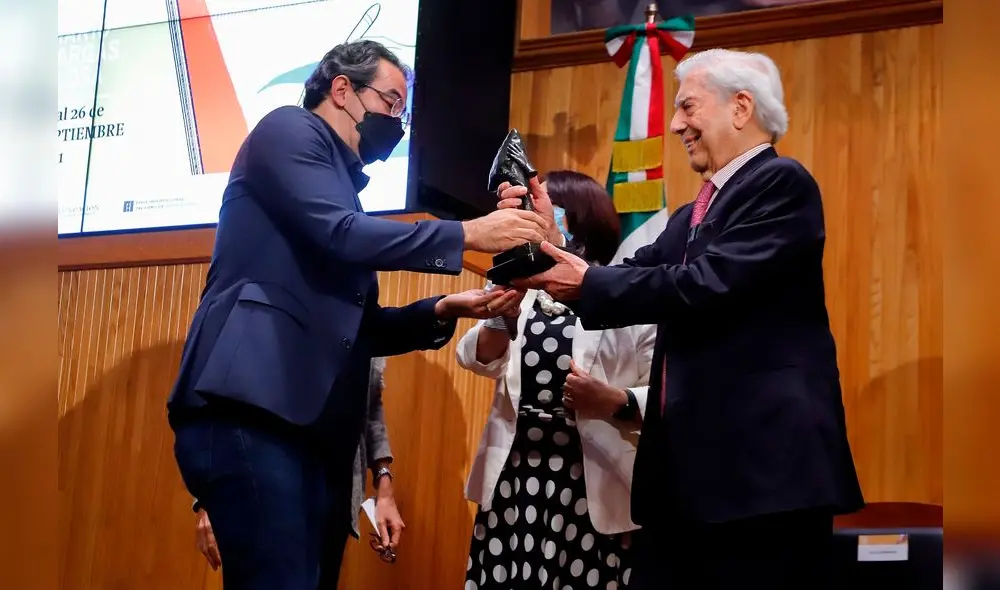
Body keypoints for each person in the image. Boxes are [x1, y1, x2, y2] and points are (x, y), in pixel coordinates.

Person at [167, 39, 545, 590]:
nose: (397, 121)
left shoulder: (343, 190)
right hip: (251, 404)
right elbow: (340, 235)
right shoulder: (288, 130)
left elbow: (358, 331)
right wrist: (468, 232)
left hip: (309, 428)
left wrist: (443, 309)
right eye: (391, 103)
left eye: (402, 112)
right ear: (341, 89)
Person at [505, 49, 864, 589]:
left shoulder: (781, 184)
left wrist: (586, 280)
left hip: (762, 481)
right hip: (693, 485)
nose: (676, 125)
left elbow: (708, 283)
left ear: (741, 107)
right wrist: (552, 243)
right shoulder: (691, 215)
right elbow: (627, 276)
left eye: (688, 107)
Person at [457, 170, 656, 589]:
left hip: (591, 484)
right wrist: (501, 311)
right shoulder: (525, 287)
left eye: (540, 204)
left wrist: (612, 399)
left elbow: (662, 393)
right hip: (516, 478)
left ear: (572, 218)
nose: (527, 212)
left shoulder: (627, 293)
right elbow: (474, 357)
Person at [193, 358, 402, 577]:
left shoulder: (365, 326)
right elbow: (222, 398)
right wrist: (210, 498)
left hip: (336, 499)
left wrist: (384, 486)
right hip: (264, 491)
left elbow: (370, 405)